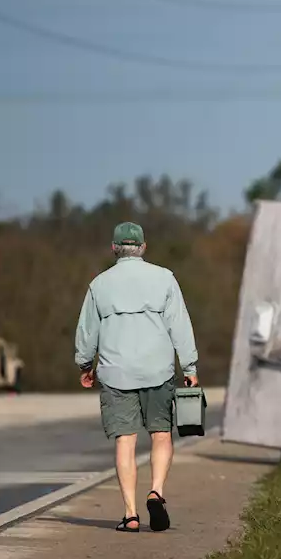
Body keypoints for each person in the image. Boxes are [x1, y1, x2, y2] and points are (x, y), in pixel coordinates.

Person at [74, 221, 199, 533]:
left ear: (114, 249)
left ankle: (130, 515)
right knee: (160, 434)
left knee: (125, 442)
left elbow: (88, 331)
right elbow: (179, 325)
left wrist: (85, 365)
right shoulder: (164, 278)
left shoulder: (99, 284)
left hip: (116, 373)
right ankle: (156, 491)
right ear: (143, 247)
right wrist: (190, 367)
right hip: (157, 370)